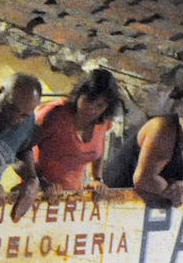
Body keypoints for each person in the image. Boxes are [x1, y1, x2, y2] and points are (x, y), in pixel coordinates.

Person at [103, 92, 183, 207]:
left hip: (156, 205)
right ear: (181, 119)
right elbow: (143, 179)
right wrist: (174, 193)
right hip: (115, 197)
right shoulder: (162, 130)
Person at [33, 68, 122, 200]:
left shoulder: (103, 121)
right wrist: (41, 181)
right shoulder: (53, 115)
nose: (92, 109)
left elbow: (98, 149)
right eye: (87, 101)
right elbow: (21, 153)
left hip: (72, 196)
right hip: (38, 194)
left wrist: (97, 179)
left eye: (100, 105)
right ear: (78, 94)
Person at [0, 72, 43, 221]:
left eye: (24, 115)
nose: (16, 118)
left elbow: (23, 149)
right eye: (12, 108)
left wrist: (32, 179)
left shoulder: (27, 120)